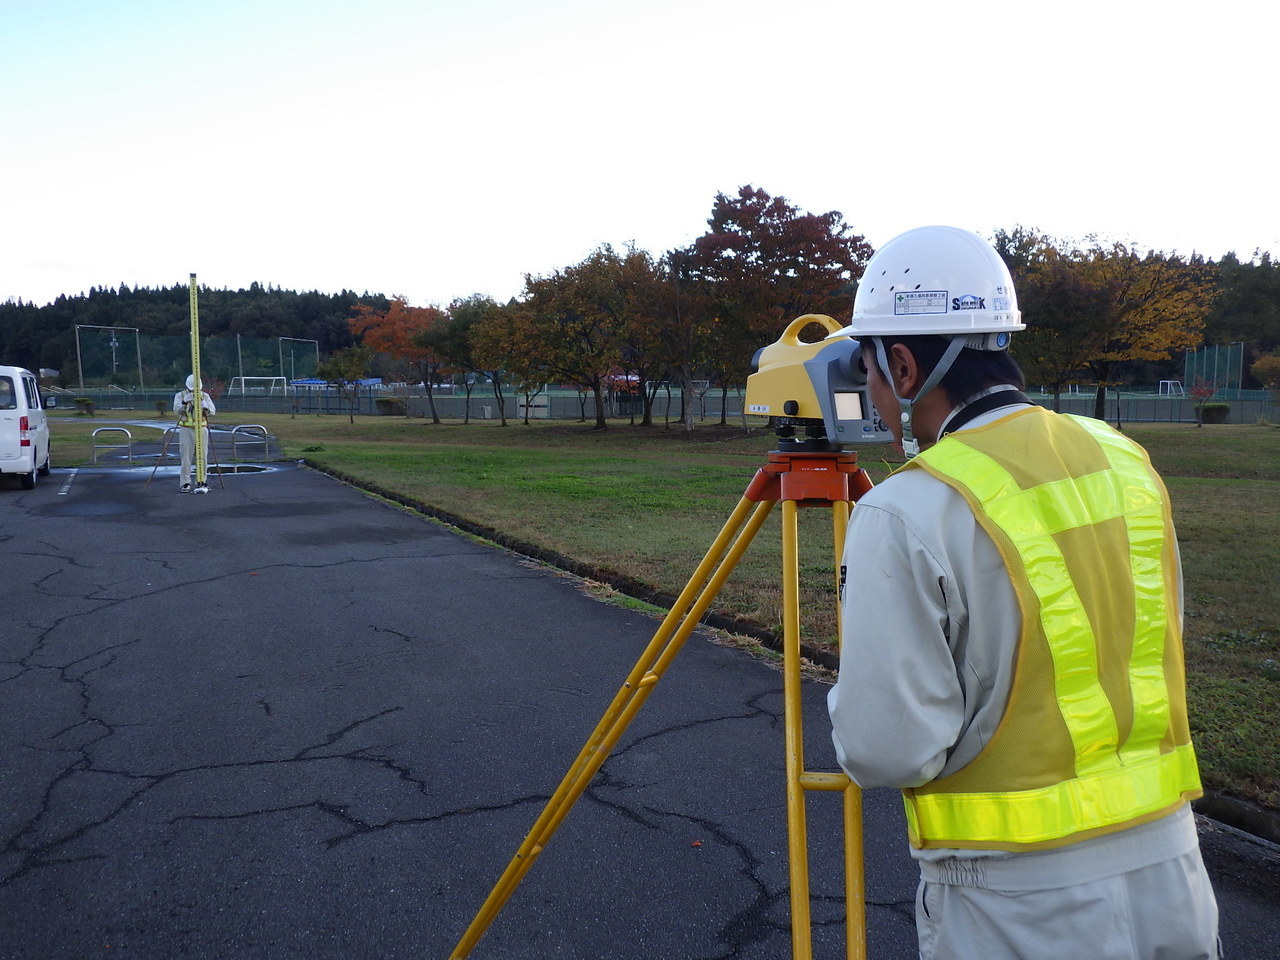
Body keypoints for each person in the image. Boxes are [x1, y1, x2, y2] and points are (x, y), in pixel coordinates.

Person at [826, 226, 1219, 960]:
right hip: (1174, 874)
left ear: (903, 365)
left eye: (870, 371)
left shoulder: (905, 509)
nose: (871, 396)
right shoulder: (1125, 460)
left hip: (1018, 904)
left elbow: (886, 750)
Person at [172, 374, 215, 493]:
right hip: (186, 430)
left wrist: (206, 408)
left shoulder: (205, 396)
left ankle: (202, 480)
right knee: (186, 457)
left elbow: (213, 411)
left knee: (203, 457)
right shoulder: (180, 396)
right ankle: (185, 482)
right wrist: (184, 403)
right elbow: (176, 410)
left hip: (201, 429)